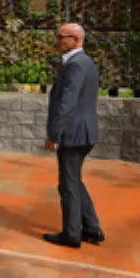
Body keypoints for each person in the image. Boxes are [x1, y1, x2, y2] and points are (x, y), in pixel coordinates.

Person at [42, 22, 105, 249]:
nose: (57, 41)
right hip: (83, 132)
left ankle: (71, 234)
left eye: (62, 37)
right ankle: (91, 228)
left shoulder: (76, 65)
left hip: (73, 134)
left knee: (68, 185)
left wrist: (54, 134)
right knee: (73, 182)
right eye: (57, 36)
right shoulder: (85, 63)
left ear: (76, 40)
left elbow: (66, 103)